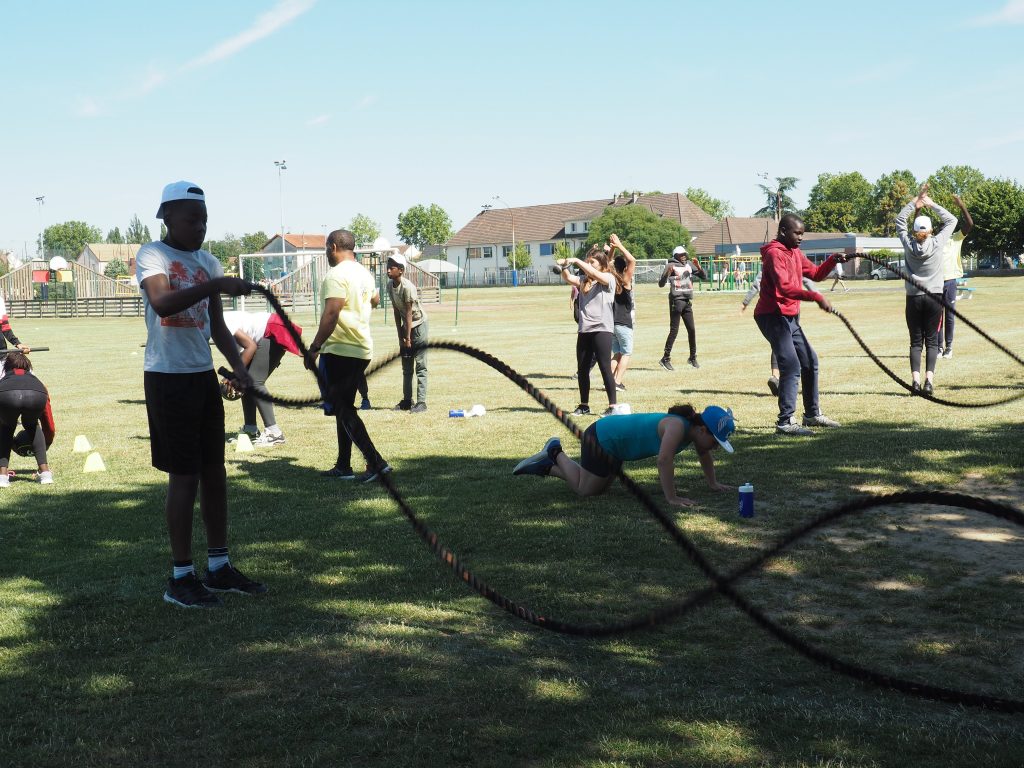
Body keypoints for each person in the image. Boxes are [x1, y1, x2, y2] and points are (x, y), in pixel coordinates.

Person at [137, 180, 266, 608]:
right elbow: (162, 303)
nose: (200, 226)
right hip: (167, 377)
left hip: (200, 376)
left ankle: (218, 567)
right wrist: (215, 285)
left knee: (214, 472)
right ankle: (180, 576)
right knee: (185, 476)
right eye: (192, 218)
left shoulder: (208, 263)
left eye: (205, 219)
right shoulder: (153, 255)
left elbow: (215, 327)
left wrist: (242, 369)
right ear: (166, 217)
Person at [512, 404, 735, 507]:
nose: (715, 447)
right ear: (703, 430)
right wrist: (672, 497)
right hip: (602, 438)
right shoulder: (677, 427)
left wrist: (713, 483)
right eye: (716, 442)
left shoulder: (694, 432)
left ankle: (546, 465)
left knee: (597, 489)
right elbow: (664, 460)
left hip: (617, 447)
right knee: (585, 490)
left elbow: (704, 454)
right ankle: (555, 452)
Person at [307, 229, 390, 482]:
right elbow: (375, 299)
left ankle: (376, 462)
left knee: (343, 409)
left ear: (333, 247)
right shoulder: (364, 273)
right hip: (361, 348)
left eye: (325, 248)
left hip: (339, 349)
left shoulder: (336, 274)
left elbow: (332, 312)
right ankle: (344, 465)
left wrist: (314, 347)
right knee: (344, 407)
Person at [754, 214, 844, 436]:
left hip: (790, 317)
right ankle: (785, 422)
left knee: (809, 361)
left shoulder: (794, 252)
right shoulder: (775, 254)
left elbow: (815, 273)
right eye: (797, 233)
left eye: (802, 234)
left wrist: (833, 259)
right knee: (791, 365)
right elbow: (784, 288)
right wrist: (815, 297)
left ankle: (812, 414)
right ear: (783, 231)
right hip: (772, 315)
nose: (801, 238)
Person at [895, 190, 957, 394]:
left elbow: (900, 220)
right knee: (931, 340)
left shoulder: (908, 243)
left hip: (913, 297)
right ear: (931, 230)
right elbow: (951, 220)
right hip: (934, 297)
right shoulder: (937, 242)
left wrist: (915, 202)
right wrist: (931, 204)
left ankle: (915, 381)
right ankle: (928, 381)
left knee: (915, 341)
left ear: (914, 231)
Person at [556, 243, 622, 416]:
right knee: (583, 369)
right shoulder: (585, 281)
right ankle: (584, 405)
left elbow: (594, 273)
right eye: (588, 262)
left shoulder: (608, 279)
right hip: (584, 330)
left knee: (605, 367)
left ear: (602, 265)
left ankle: (613, 406)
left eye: (592, 262)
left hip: (602, 329)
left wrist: (576, 260)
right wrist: (564, 266)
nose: (589, 265)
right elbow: (568, 278)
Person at [220, 309, 303, 446]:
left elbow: (250, 346)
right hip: (265, 332)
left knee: (254, 382)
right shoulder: (214, 322)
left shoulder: (221, 322)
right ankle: (251, 430)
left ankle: (274, 433)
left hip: (271, 330)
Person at [741, 271, 817, 396]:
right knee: (789, 346)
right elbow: (807, 280)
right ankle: (786, 383)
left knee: (780, 342)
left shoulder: (770, 259)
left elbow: (757, 283)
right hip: (788, 309)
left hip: (772, 310)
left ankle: (775, 376)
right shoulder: (790, 258)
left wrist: (746, 301)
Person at [0, 351, 52, 487]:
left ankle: (2, 476)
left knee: (6, 427)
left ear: (7, 366)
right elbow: (47, 417)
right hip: (37, 393)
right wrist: (49, 437)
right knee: (32, 425)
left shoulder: (4, 376)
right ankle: (45, 473)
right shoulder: (34, 377)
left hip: (6, 393)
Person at [385, 254, 428, 412]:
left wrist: (408, 339)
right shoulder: (390, 286)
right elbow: (397, 311)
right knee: (406, 366)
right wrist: (400, 335)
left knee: (420, 365)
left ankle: (422, 402)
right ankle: (407, 400)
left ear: (401, 270)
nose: (388, 270)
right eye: (388, 267)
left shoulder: (408, 287)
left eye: (392, 267)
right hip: (406, 326)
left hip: (418, 325)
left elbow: (409, 313)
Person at [658, 245, 707, 370]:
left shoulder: (689, 264)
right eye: (681, 255)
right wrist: (666, 275)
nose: (684, 256)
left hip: (687, 301)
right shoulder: (670, 266)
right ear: (675, 256)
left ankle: (692, 358)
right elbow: (661, 284)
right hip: (676, 301)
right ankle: (665, 358)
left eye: (684, 254)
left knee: (692, 330)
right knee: (674, 330)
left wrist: (699, 267)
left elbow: (704, 277)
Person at [938, 194, 973, 359]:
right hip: (935, 283)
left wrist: (961, 205)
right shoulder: (934, 241)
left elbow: (970, 224)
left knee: (949, 316)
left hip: (950, 282)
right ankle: (938, 348)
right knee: (937, 317)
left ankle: (949, 348)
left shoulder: (956, 238)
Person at [608, 234, 637, 392]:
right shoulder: (625, 280)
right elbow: (633, 260)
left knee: (617, 353)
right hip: (624, 323)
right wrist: (619, 245)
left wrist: (612, 249)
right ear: (625, 268)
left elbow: (605, 264)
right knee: (626, 353)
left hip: (611, 323)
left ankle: (610, 381)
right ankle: (618, 382)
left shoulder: (611, 279)